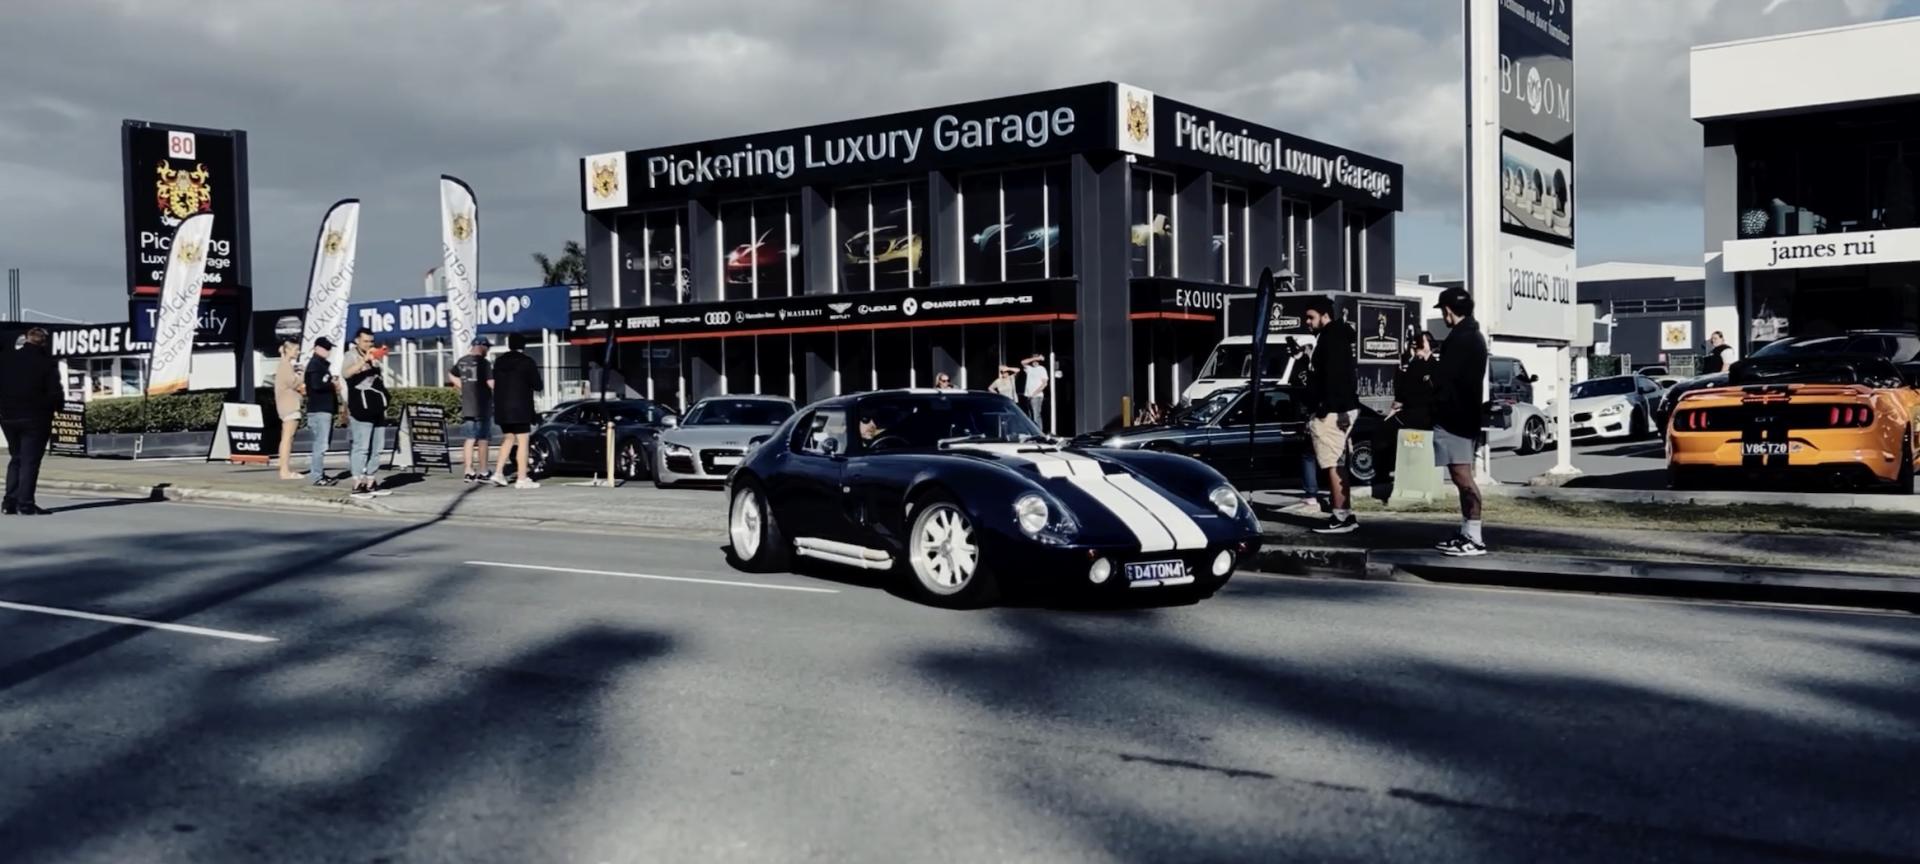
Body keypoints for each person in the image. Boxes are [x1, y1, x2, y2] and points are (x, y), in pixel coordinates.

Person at [1431, 287, 1490, 557]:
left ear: (1447, 310)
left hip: (1456, 418)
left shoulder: (1460, 339)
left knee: (1463, 478)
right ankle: (1467, 531)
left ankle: (1475, 538)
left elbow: (1445, 379)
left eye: (1443, 310)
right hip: (1463, 416)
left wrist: (1427, 373)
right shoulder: (1473, 336)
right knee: (1460, 477)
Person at [1302, 297, 1361, 534]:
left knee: (1332, 463)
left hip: (1334, 410)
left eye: (1311, 317)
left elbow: (1337, 377)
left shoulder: (1331, 338)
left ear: (1325, 315)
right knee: (1336, 462)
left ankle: (1341, 517)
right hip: (1338, 407)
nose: (1307, 322)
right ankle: (1343, 514)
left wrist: (1334, 410)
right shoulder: (1334, 336)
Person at [1, 327, 63, 515]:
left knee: (16, 457)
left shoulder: (6, 359)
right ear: (43, 342)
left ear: (26, 340)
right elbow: (54, 392)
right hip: (35, 418)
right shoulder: (46, 363)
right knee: (30, 461)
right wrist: (57, 408)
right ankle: (25, 503)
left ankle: (9, 502)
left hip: (8, 416)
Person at [342, 327, 393, 499]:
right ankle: (357, 483)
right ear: (357, 341)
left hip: (376, 406)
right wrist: (364, 360)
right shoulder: (351, 355)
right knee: (362, 447)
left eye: (371, 341)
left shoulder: (373, 355)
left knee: (377, 447)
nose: (369, 344)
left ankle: (371, 481)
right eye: (365, 341)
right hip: (360, 407)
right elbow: (346, 373)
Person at [490, 332, 542, 489]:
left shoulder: (499, 362)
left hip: (502, 408)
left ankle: (498, 473)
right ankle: (522, 478)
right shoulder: (527, 362)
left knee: (508, 439)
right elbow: (538, 385)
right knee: (523, 441)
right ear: (523, 345)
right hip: (520, 408)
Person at [448, 336, 495, 484]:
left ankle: (468, 470)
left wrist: (463, 385)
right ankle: (483, 471)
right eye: (487, 347)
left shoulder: (462, 361)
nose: (488, 350)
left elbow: (451, 374)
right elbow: (491, 383)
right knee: (483, 440)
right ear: (482, 347)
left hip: (468, 406)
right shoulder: (484, 363)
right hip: (482, 406)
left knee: (469, 439)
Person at [303, 337, 343, 486]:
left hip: (323, 410)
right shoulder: (315, 365)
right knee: (320, 444)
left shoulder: (321, 365)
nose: (328, 351)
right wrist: (332, 385)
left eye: (329, 348)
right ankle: (317, 476)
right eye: (325, 348)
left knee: (321, 444)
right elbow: (316, 385)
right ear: (316, 348)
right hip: (319, 410)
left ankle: (319, 473)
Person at [273, 338, 304, 480]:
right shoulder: (285, 365)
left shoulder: (284, 364)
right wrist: (302, 373)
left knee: (287, 438)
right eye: (296, 349)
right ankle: (284, 471)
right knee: (287, 437)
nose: (298, 352)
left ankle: (285, 469)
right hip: (289, 406)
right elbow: (293, 382)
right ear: (288, 350)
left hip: (288, 405)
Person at [1021, 354, 1050, 431]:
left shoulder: (1042, 369)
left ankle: (1039, 432)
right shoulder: (1029, 368)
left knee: (1036, 415)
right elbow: (1023, 362)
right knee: (1030, 415)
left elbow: (1044, 383)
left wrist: (1035, 393)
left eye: (1036, 360)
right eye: (1033, 360)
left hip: (1037, 396)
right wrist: (1036, 358)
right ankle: (1032, 433)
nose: (1034, 361)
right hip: (1028, 396)